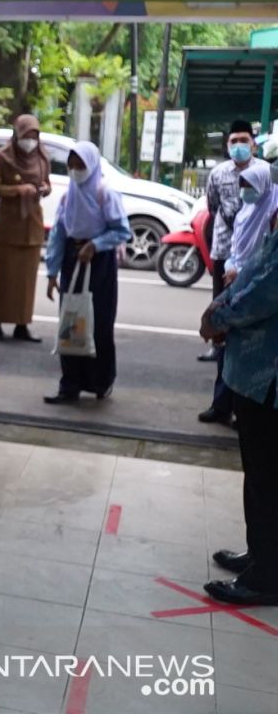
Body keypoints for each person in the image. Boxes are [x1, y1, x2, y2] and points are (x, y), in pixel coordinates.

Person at [200, 161, 278, 606]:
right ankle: (263, 555)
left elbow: (270, 287)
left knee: (268, 476)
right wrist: (223, 303)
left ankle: (267, 575)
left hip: (270, 376)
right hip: (259, 372)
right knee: (262, 474)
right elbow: (256, 267)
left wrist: (221, 316)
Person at [42, 142, 131, 404]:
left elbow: (122, 230)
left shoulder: (105, 194)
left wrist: (95, 245)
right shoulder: (68, 197)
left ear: (92, 165)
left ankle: (101, 382)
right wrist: (52, 272)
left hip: (99, 264)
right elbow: (58, 235)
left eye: (80, 164)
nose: (75, 170)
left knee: (98, 324)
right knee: (71, 322)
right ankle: (69, 385)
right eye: (71, 164)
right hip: (73, 261)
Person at [198, 121, 267, 423]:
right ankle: (222, 404)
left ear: (253, 143)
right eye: (233, 140)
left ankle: (245, 407)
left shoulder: (265, 176)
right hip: (226, 258)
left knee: (249, 336)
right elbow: (214, 210)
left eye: (244, 140)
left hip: (256, 268)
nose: (239, 145)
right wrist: (230, 264)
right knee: (226, 330)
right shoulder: (218, 174)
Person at [0, 114, 51, 342]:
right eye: (26, 136)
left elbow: (47, 185)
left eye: (34, 136)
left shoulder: (43, 158)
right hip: (7, 225)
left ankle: (22, 325)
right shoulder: (0, 156)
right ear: (17, 134)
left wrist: (43, 188)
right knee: (2, 277)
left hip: (31, 226)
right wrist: (18, 189)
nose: (30, 141)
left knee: (26, 281)